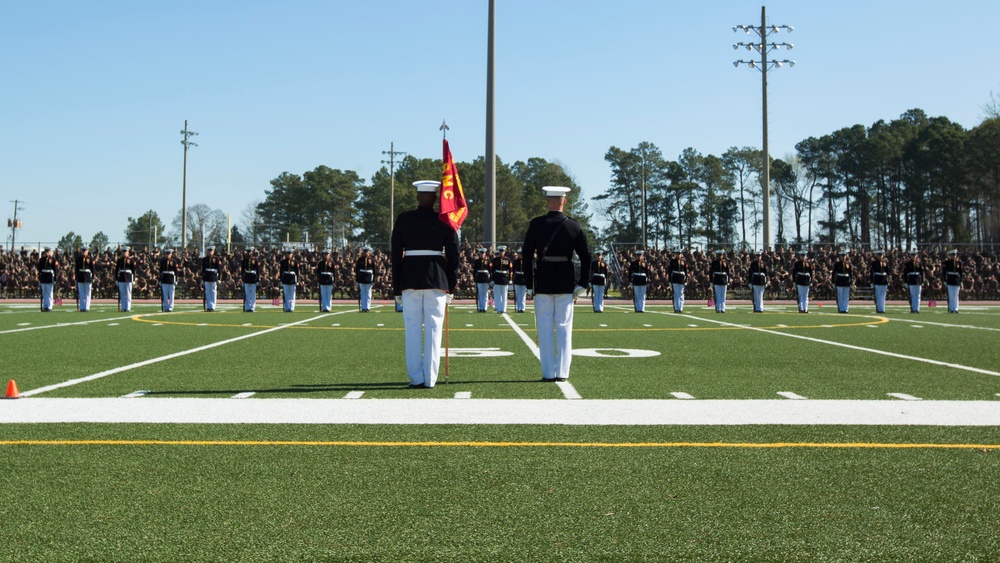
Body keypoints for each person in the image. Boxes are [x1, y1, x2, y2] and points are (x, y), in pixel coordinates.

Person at [390, 180, 460, 389]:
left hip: (410, 278)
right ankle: (430, 379)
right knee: (434, 329)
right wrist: (451, 286)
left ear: (417, 197)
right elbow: (454, 256)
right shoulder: (445, 220)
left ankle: (416, 378)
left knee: (412, 330)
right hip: (436, 278)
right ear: (436, 198)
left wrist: (396, 286)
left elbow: (395, 255)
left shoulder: (404, 219)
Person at [522, 185, 591, 382]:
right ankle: (562, 372)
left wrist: (529, 283)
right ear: (564, 202)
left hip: (543, 281)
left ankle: (548, 373)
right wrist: (583, 282)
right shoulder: (574, 226)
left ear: (547, 201)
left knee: (544, 328)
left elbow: (526, 255)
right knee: (564, 328)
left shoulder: (536, 224)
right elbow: (586, 256)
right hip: (565, 282)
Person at [490, 245, 513, 314]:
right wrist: (492, 279)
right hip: (497, 278)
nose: (501, 252)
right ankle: (499, 308)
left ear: (504, 252)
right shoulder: (495, 260)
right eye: (500, 251)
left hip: (505, 278)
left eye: (502, 251)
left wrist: (510, 279)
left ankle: (504, 309)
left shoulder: (508, 260)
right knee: (498, 295)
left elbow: (510, 270)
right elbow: (492, 270)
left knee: (504, 295)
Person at [115, 246, 138, 312]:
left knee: (128, 293)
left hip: (128, 277)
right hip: (121, 277)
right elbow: (116, 270)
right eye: (123, 252)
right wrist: (116, 279)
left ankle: (128, 307)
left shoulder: (131, 260)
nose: (124, 253)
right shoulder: (120, 260)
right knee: (122, 293)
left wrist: (133, 279)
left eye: (126, 252)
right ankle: (123, 307)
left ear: (128, 252)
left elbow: (133, 271)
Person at [241, 247, 264, 312]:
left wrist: (257, 280)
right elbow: (242, 271)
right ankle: (248, 307)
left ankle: (252, 307)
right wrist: (242, 279)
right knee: (247, 293)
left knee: (253, 294)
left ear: (252, 252)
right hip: (246, 278)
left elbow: (258, 270)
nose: (249, 253)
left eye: (250, 252)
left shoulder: (255, 260)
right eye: (248, 252)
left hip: (253, 278)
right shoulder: (244, 260)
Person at [74, 245, 95, 312]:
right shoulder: (78, 259)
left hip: (87, 276)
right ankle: (82, 307)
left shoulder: (90, 258)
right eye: (83, 250)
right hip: (80, 276)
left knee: (87, 293)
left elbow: (93, 269)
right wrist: (76, 277)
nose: (84, 252)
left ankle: (87, 307)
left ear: (87, 251)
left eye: (85, 251)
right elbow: (76, 269)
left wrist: (93, 277)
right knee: (81, 293)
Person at [201, 246, 223, 312]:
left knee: (213, 292)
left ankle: (212, 306)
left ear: (213, 251)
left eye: (211, 251)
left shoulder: (216, 259)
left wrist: (219, 279)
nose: (210, 252)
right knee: (207, 292)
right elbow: (203, 270)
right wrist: (203, 278)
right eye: (209, 251)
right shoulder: (204, 259)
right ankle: (208, 306)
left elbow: (219, 269)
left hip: (213, 276)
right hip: (207, 276)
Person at [355, 246, 376, 312]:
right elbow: (357, 270)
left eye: (367, 251)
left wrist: (374, 280)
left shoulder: (372, 260)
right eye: (364, 251)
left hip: (369, 277)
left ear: (369, 252)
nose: (366, 253)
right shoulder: (360, 259)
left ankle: (367, 307)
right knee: (363, 293)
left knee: (368, 293)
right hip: (362, 277)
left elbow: (374, 270)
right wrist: (357, 279)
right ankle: (363, 307)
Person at [37, 246, 58, 311]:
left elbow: (56, 269)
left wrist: (55, 278)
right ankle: (45, 306)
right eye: (46, 251)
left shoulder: (53, 259)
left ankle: (49, 306)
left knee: (49, 292)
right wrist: (39, 277)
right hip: (43, 277)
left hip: (49, 277)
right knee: (44, 292)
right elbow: (39, 268)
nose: (47, 253)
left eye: (48, 251)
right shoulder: (42, 259)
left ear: (50, 252)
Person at [943, 249, 963, 314]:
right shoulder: (947, 262)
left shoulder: (959, 262)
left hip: (957, 279)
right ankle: (951, 308)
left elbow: (961, 272)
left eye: (955, 255)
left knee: (956, 295)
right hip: (950, 279)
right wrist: (945, 280)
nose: (954, 256)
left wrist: (961, 280)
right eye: (953, 255)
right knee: (951, 295)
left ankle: (956, 308)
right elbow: (944, 272)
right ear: (950, 256)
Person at [870, 249, 890, 314]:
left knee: (883, 296)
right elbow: (871, 273)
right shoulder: (874, 263)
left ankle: (882, 309)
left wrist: (888, 280)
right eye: (879, 255)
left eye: (881, 255)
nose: (880, 256)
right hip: (877, 280)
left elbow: (888, 272)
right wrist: (871, 282)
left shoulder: (885, 262)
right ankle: (878, 308)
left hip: (884, 280)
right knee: (878, 295)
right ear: (877, 255)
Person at [473, 247, 491, 312]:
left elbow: (490, 270)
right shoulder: (477, 261)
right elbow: (475, 271)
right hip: (479, 278)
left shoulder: (488, 261)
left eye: (483, 253)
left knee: (485, 293)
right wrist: (475, 279)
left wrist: (490, 279)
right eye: (481, 253)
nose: (482, 254)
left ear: (485, 254)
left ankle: (485, 307)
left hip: (486, 278)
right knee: (480, 294)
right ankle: (481, 307)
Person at [512, 248, 528, 313]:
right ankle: (519, 308)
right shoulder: (515, 261)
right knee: (518, 295)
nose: (520, 255)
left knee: (523, 295)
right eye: (519, 254)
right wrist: (513, 279)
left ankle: (523, 308)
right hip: (518, 278)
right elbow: (513, 271)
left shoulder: (526, 261)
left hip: (524, 279)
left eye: (521, 254)